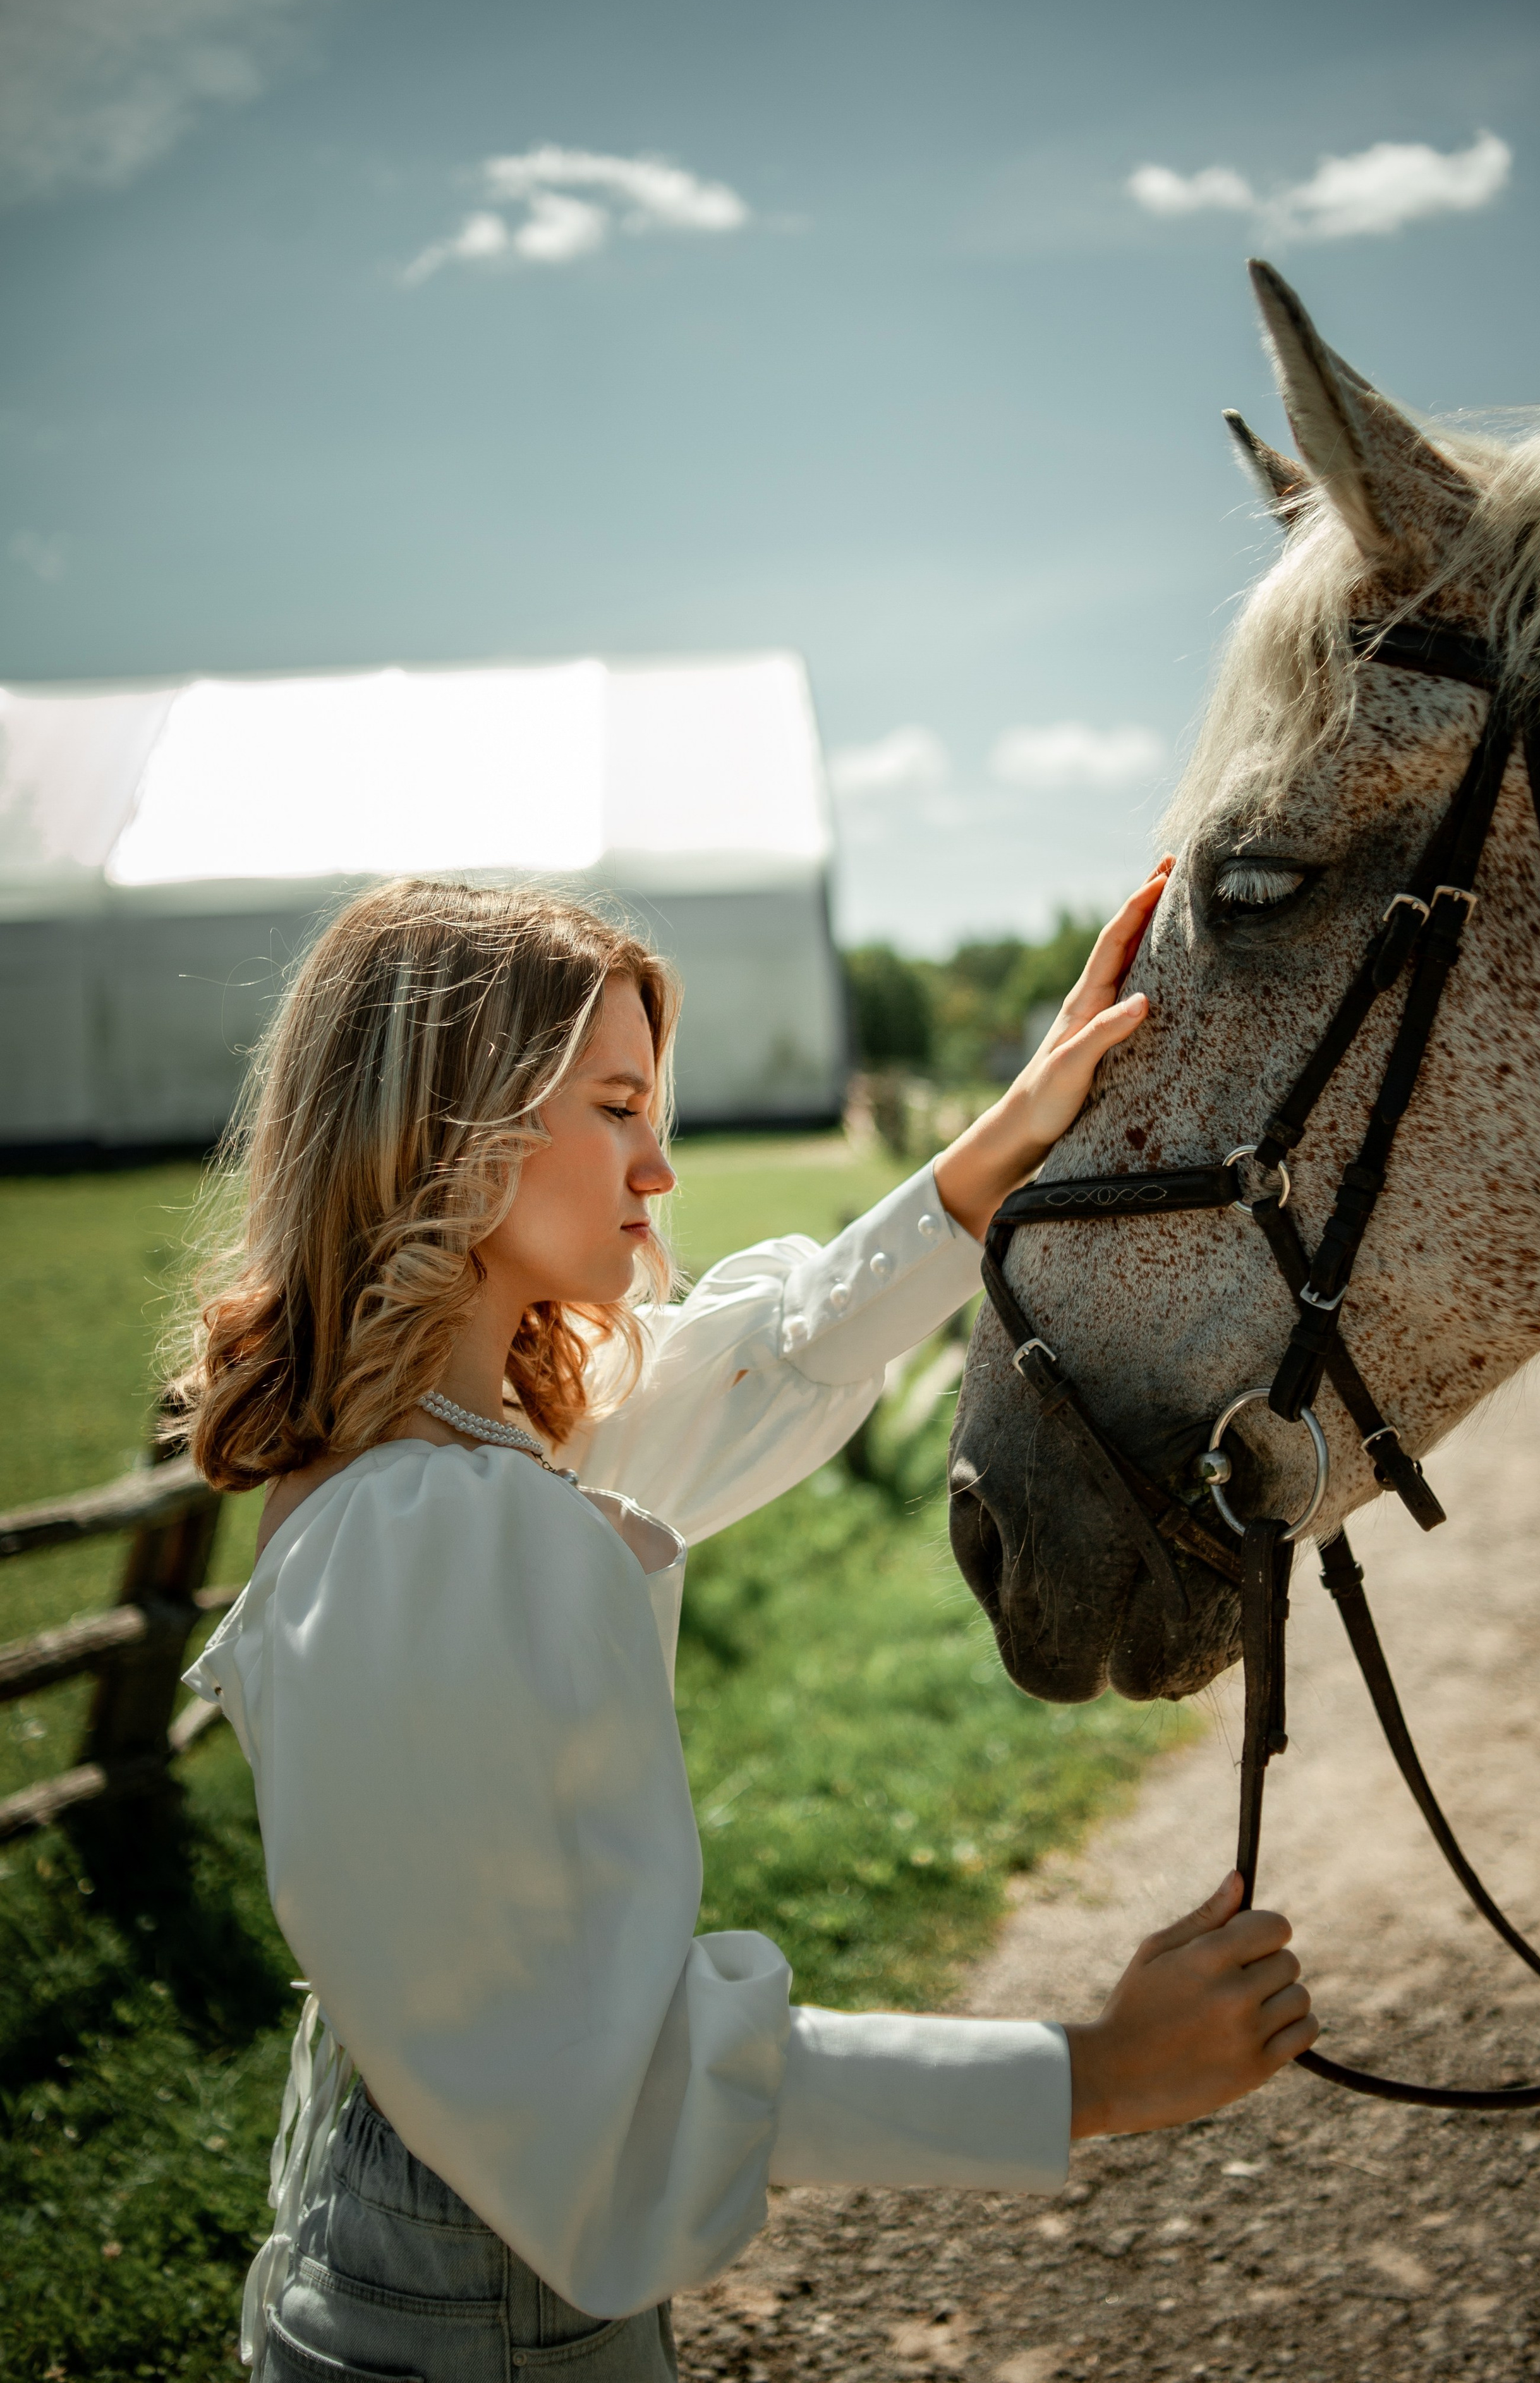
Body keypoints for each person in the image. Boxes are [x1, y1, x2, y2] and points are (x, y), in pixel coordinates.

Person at [177, 867, 1316, 2382]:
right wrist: (1093, 2076)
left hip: (438, 2259)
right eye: (613, 1108)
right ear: (447, 1121)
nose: (658, 1170)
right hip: (481, 2322)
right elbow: (629, 2089)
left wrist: (1006, 1141)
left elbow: (759, 1368)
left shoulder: (452, 1459)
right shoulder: (435, 1530)